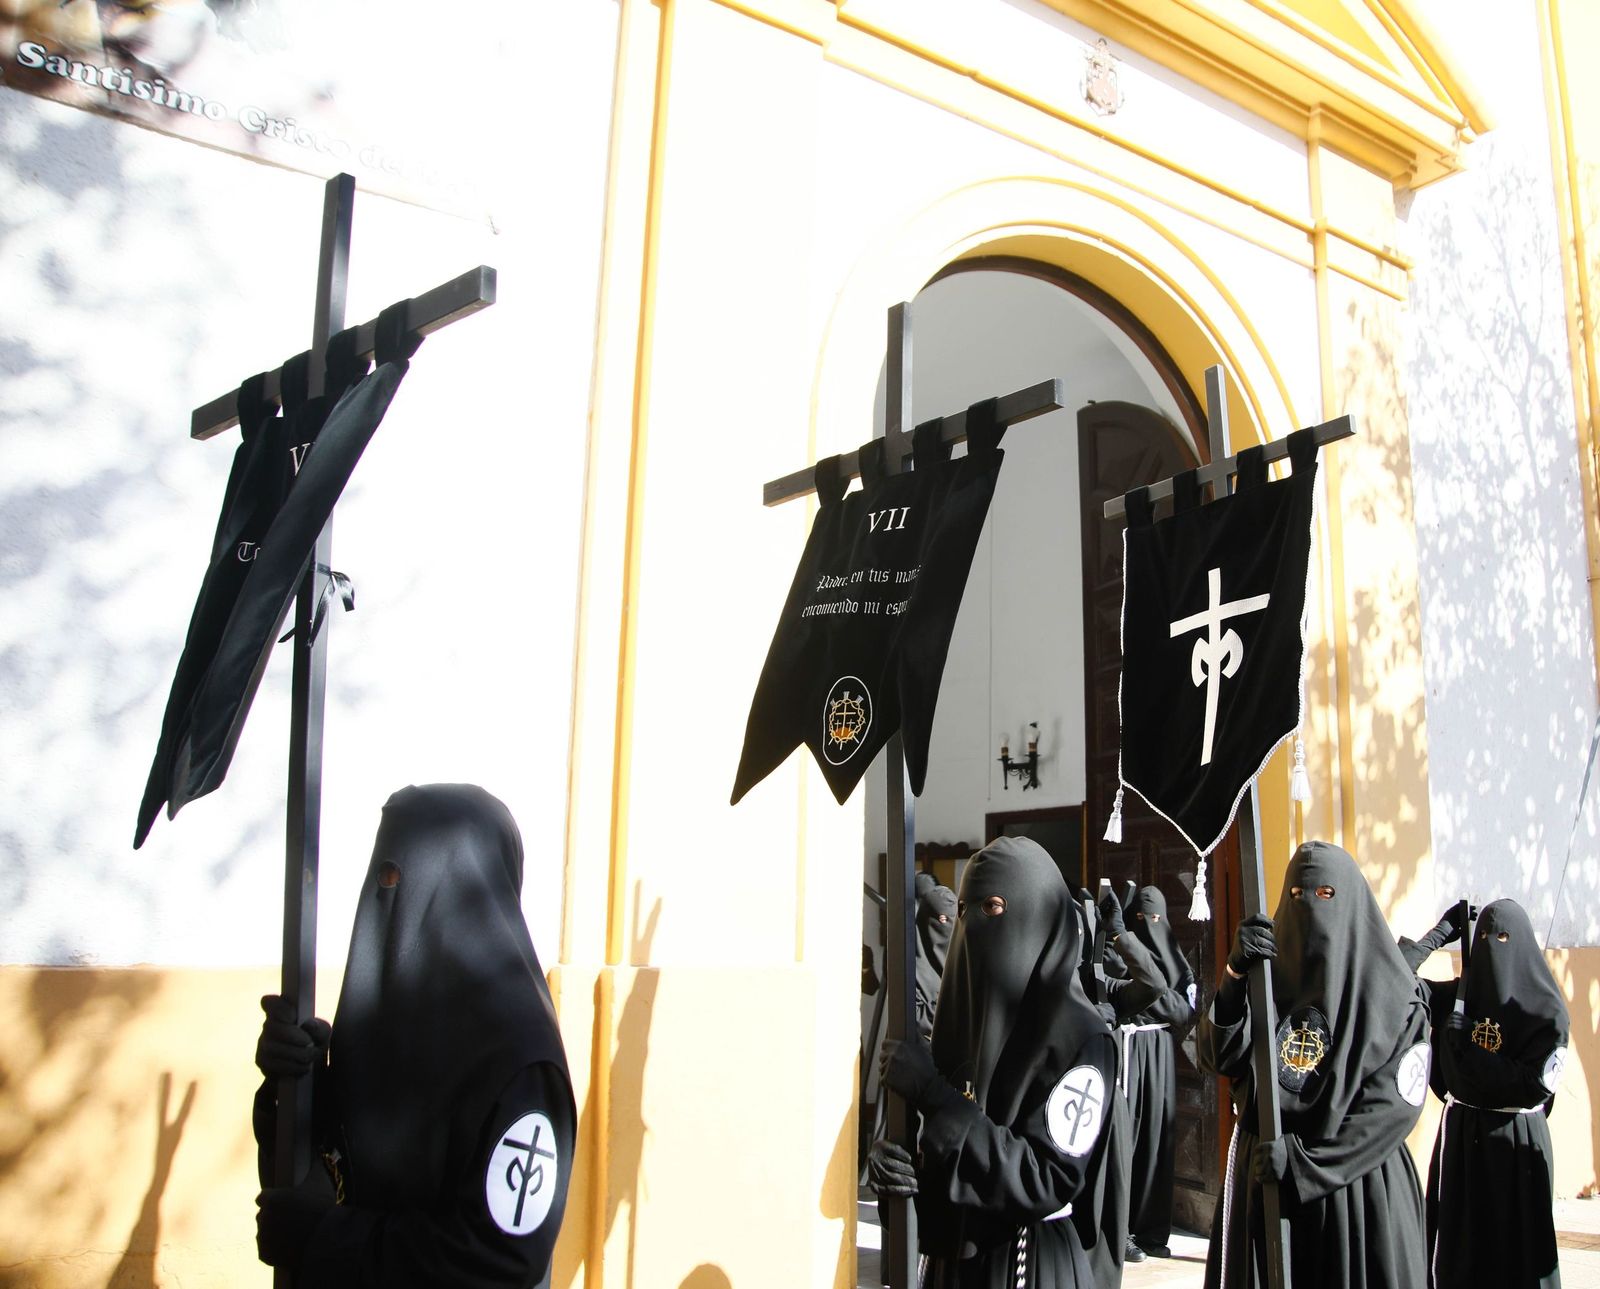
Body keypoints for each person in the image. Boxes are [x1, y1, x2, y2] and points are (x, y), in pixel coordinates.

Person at [252, 783, 576, 1288]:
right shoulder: (381, 1025)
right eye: (382, 876)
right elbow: (337, 1173)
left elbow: (501, 1261)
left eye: (410, 881)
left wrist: (329, 1238)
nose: (391, 898)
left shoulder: (520, 1061)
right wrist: (292, 1090)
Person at [867, 835, 1116, 1287]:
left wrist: (935, 1097)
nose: (973, 926)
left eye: (993, 908)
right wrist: (900, 1174)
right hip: (953, 1263)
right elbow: (942, 1159)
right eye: (964, 911)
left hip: (1027, 1263)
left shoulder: (1082, 1037)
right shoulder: (962, 1024)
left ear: (1039, 912)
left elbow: (1046, 1178)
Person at [1198, 840, 1429, 1289]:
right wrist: (1233, 978)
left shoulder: (1397, 998)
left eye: (1326, 896)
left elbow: (1392, 1110)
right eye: (1298, 897)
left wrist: (1304, 1164)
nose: (1310, 909)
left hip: (1355, 1190)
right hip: (1265, 1182)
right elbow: (1218, 1057)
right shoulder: (1266, 977)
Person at [1400, 898, 1569, 1289]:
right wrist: (1439, 936)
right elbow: (1390, 979)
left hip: (1516, 1145)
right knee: (1461, 1256)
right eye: (1487, 939)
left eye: (1505, 937)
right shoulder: (1460, 996)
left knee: (1518, 1256)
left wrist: (1470, 1053)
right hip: (1462, 1142)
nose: (1495, 946)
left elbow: (1535, 1085)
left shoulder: (1547, 1011)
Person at [1118, 885, 1197, 1260]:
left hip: (1160, 1054)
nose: (1149, 926)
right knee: (1126, 1140)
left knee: (1157, 1141)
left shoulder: (1178, 962)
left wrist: (1156, 997)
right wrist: (1161, 997)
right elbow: (1146, 996)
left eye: (1154, 919)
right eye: (1140, 920)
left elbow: (1183, 1012)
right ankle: (1121, 1231)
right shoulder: (1117, 952)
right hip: (1128, 1051)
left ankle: (1151, 1230)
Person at [915, 882, 957, 1038]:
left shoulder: (964, 962)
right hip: (920, 1056)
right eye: (940, 919)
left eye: (951, 919)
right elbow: (915, 1019)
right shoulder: (910, 967)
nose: (945, 924)